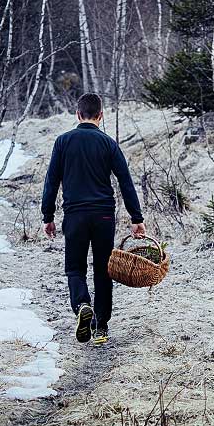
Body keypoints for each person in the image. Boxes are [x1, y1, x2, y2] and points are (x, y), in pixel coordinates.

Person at [41, 92, 146, 346]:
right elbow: (125, 181)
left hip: (75, 215)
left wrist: (48, 215)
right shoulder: (108, 143)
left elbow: (51, 180)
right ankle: (101, 326)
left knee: (75, 268)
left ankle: (81, 304)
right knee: (103, 270)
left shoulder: (63, 141)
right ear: (101, 115)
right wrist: (136, 217)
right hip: (103, 216)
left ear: (78, 114)